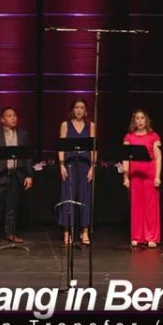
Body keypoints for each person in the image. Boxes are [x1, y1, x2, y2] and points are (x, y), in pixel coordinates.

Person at [0, 106, 34, 245]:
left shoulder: (22, 135)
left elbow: (27, 156)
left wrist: (29, 175)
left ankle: (10, 233)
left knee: (12, 207)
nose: (13, 118)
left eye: (15, 115)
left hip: (16, 174)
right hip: (0, 175)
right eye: (10, 116)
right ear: (2, 119)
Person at [57, 98, 96, 245]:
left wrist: (93, 166)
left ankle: (84, 231)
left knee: (85, 197)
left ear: (85, 110)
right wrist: (61, 165)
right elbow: (61, 146)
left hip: (85, 165)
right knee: (68, 195)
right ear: (72, 109)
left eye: (82, 108)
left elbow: (93, 147)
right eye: (77, 107)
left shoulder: (90, 125)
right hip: (70, 164)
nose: (79, 110)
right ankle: (67, 231)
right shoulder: (65, 125)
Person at [122, 109, 162, 248]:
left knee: (151, 207)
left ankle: (151, 236)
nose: (140, 121)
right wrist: (125, 176)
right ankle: (137, 236)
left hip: (149, 175)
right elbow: (125, 158)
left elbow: (158, 157)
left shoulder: (153, 136)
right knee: (136, 206)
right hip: (135, 176)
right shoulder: (129, 137)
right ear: (134, 121)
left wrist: (158, 176)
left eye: (142, 118)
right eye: (137, 118)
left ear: (146, 120)